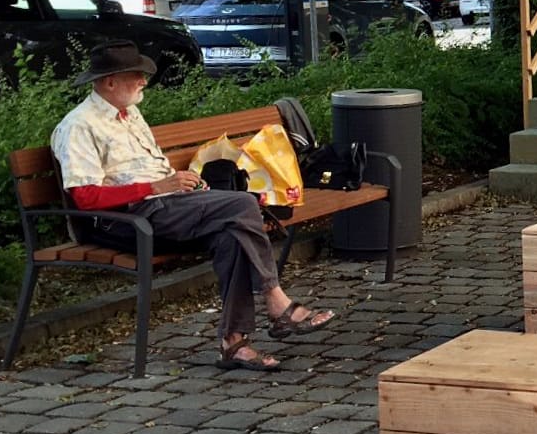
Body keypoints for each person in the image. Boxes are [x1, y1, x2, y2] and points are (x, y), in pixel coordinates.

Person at [50, 42, 336, 371]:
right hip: (127, 220)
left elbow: (149, 171)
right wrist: (157, 186)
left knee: (231, 236)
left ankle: (234, 343)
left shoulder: (129, 114)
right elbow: (84, 197)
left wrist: (181, 180)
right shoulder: (79, 127)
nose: (144, 81)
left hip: (166, 206)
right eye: (136, 76)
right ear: (110, 82)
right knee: (242, 205)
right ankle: (277, 302)